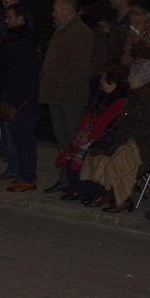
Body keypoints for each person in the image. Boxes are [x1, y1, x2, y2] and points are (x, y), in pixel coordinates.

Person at [77, 59, 150, 213]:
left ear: (141, 79)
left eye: (132, 76)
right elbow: (123, 123)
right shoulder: (138, 95)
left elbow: (141, 130)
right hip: (130, 140)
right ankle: (106, 192)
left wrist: (115, 143)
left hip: (144, 147)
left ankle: (121, 199)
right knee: (97, 151)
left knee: (118, 157)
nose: (128, 79)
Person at [39, 0, 92, 192]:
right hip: (56, 94)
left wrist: (58, 81)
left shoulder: (80, 32)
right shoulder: (61, 30)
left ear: (66, 11)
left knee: (72, 140)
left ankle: (76, 181)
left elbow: (78, 66)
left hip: (70, 96)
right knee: (62, 140)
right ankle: (65, 179)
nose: (52, 14)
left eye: (55, 10)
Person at [56, 65, 129, 201]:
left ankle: (84, 189)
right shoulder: (102, 96)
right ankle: (77, 187)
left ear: (113, 82)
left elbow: (106, 122)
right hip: (94, 132)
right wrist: (83, 130)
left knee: (81, 152)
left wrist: (91, 136)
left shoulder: (119, 101)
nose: (101, 81)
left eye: (104, 79)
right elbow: (90, 115)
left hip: (106, 135)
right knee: (73, 149)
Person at [0, 5, 40, 191]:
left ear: (20, 19)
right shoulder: (12, 40)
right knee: (17, 138)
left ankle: (28, 177)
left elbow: (25, 74)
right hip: (11, 96)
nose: (6, 20)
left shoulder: (26, 42)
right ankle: (21, 173)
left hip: (23, 99)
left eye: (10, 17)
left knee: (25, 139)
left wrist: (15, 98)